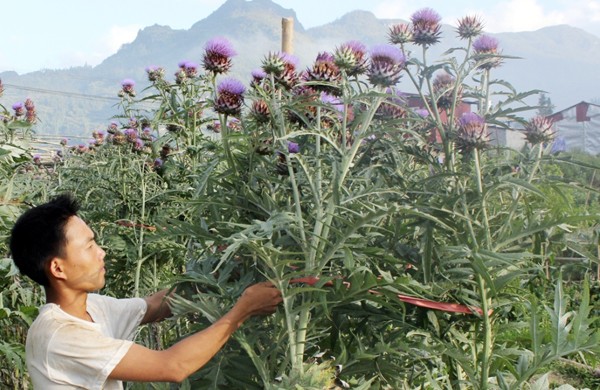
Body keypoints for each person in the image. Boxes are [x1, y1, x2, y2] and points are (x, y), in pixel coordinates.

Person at [9, 193, 283, 389]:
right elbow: (172, 367)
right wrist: (241, 311)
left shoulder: (91, 307)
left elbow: (155, 305)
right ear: (58, 269)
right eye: (90, 246)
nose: (102, 252)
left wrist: (220, 271)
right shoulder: (60, 336)